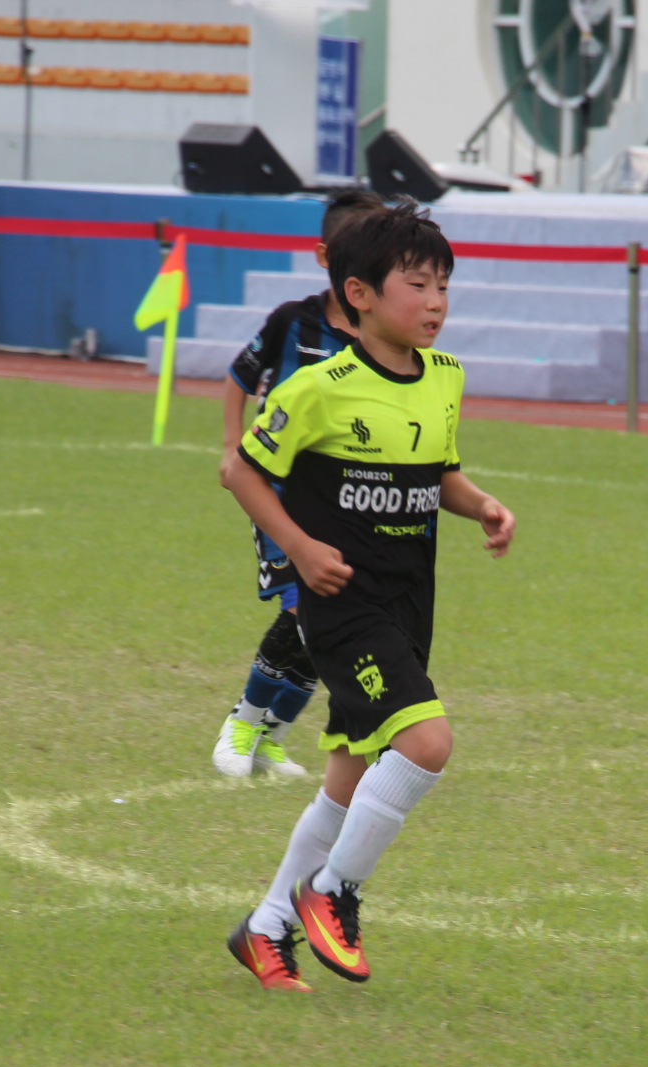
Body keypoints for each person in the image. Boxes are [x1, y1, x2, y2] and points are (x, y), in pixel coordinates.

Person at [221, 202, 516, 991]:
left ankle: (265, 928)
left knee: (350, 777)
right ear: (359, 293)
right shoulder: (320, 388)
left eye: (443, 285)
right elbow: (240, 471)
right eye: (417, 285)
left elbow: (439, 474)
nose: (435, 302)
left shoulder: (445, 378)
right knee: (426, 744)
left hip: (409, 602)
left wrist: (483, 504)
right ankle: (332, 892)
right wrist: (300, 547)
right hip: (341, 606)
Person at [211, 189, 389, 780]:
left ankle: (273, 737)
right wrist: (232, 447)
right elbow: (240, 375)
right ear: (325, 256)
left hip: (340, 504)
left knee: (327, 624)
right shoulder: (293, 321)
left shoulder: (376, 336)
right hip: (278, 495)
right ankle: (241, 724)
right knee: (300, 611)